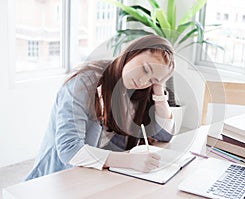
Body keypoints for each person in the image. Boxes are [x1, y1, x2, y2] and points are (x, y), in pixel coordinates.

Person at [25, 35, 176, 181]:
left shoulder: (139, 90)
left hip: (99, 175)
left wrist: (158, 88)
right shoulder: (84, 82)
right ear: (132, 52)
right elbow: (70, 150)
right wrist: (129, 161)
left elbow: (165, 134)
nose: (143, 81)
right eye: (145, 69)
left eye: (152, 80)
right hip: (61, 177)